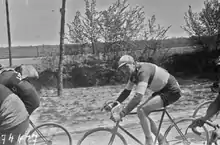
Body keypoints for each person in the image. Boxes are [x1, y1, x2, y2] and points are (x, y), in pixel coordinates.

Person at [104, 55, 182, 145]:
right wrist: (113, 105)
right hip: (161, 90)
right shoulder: (134, 74)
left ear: (133, 63)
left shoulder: (143, 72)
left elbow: (138, 98)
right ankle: (162, 140)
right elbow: (126, 92)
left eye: (126, 67)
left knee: (141, 110)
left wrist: (122, 113)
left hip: (172, 90)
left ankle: (149, 141)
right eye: (122, 69)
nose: (125, 71)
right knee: (142, 113)